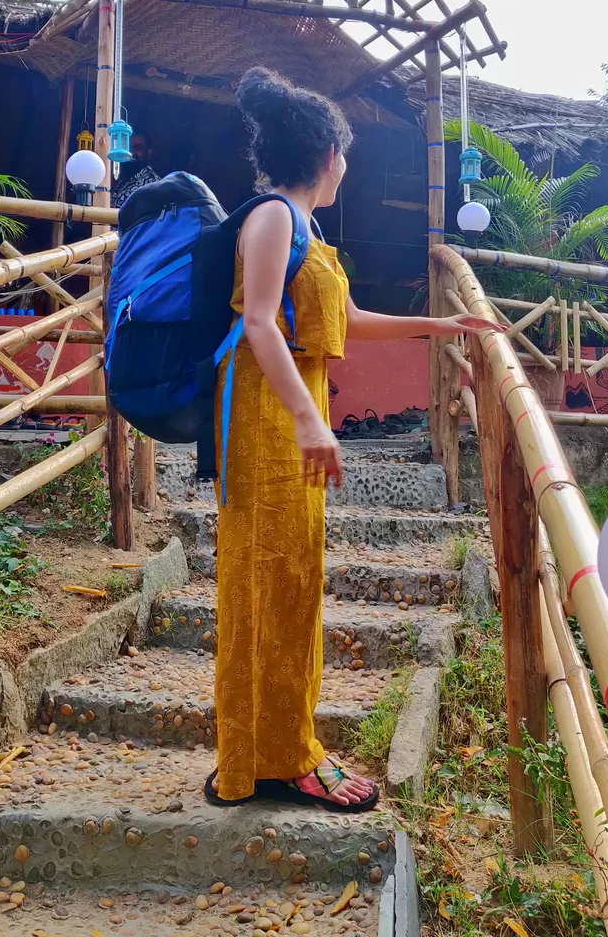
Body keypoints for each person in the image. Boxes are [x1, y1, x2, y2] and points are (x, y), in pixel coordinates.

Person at [207, 66, 501, 811]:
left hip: (288, 403)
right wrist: (310, 421)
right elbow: (260, 323)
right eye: (346, 156)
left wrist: (441, 326)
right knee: (269, 578)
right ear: (326, 156)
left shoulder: (303, 227)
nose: (348, 167)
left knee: (290, 579)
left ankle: (262, 749)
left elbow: (347, 319)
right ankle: (273, 758)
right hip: (265, 411)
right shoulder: (274, 217)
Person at [111, 128, 160, 210]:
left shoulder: (152, 184)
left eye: (138, 147)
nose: (131, 152)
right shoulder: (122, 181)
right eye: (127, 148)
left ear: (149, 152)